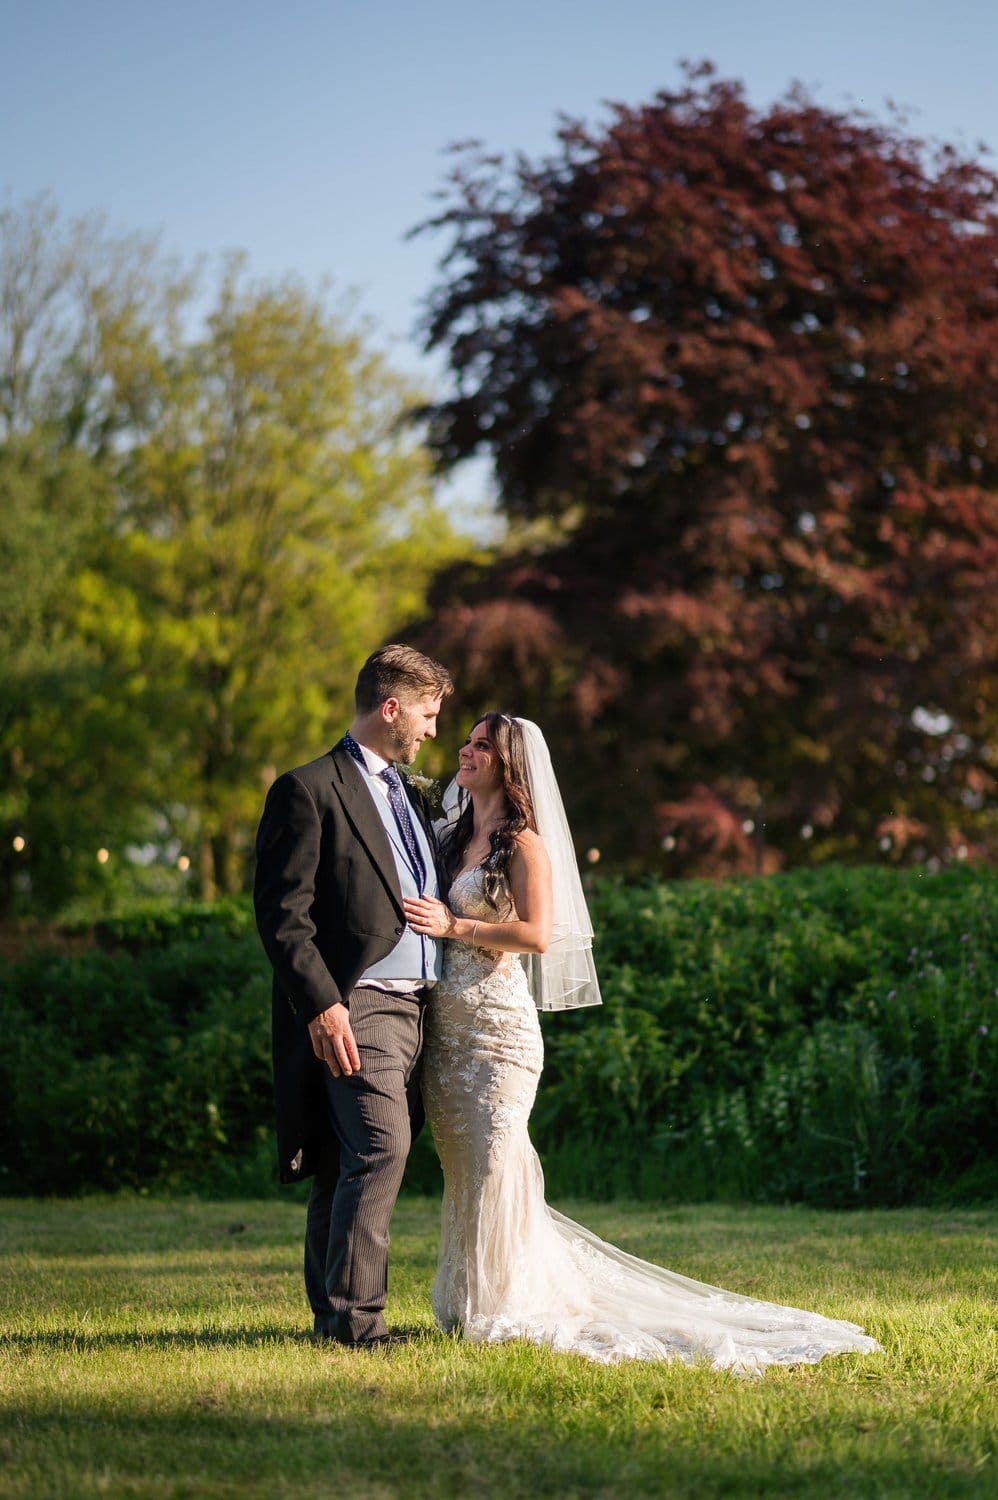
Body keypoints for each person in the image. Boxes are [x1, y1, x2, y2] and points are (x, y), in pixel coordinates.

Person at [403, 714, 882, 1372]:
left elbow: (540, 936)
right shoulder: (448, 834)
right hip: (448, 1034)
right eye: (469, 739)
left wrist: (455, 925)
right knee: (463, 1169)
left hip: (498, 1032)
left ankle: (505, 1302)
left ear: (509, 764)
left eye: (482, 744)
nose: (466, 748)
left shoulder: (525, 846)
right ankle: (468, 1298)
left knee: (494, 1163)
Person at [254, 644, 453, 1346]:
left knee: (344, 1159)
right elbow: (283, 916)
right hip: (359, 1002)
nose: (433, 731)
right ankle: (355, 1325)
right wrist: (322, 1002)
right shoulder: (308, 789)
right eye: (427, 715)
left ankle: (332, 1315)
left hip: (421, 1007)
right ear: (391, 706)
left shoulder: (412, 793)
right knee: (380, 1147)